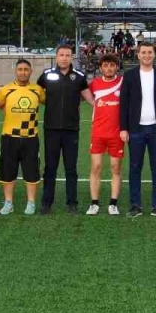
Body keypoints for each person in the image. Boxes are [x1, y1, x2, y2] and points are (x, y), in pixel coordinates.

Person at [37, 44, 94, 214]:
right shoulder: (46, 75)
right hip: (51, 129)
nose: (64, 58)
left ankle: (72, 203)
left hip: (71, 130)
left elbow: (90, 99)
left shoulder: (79, 77)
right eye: (61, 54)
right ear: (56, 57)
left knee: (71, 168)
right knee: (50, 168)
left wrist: (107, 107)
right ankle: (46, 203)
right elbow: (36, 95)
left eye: (67, 55)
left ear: (72, 57)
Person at [118, 41, 156, 217]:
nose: (147, 55)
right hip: (136, 129)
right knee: (135, 167)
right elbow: (124, 104)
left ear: (154, 54)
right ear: (138, 54)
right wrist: (123, 128)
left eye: (150, 52)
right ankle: (135, 205)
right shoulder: (129, 75)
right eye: (144, 52)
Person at [0, 59, 45, 215]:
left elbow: (50, 102)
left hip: (30, 138)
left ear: (30, 72)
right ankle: (8, 203)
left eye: (26, 69)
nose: (23, 72)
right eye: (20, 69)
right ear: (15, 71)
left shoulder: (37, 90)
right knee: (8, 171)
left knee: (31, 171)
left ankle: (31, 203)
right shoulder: (6, 90)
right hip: (10, 137)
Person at [87, 54, 124, 216]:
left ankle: (113, 203)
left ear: (116, 67)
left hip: (117, 134)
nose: (109, 68)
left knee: (116, 168)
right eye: (105, 65)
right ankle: (94, 203)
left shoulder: (123, 82)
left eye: (112, 65)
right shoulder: (94, 84)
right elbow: (84, 97)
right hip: (98, 133)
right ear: (101, 68)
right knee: (96, 167)